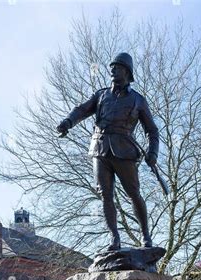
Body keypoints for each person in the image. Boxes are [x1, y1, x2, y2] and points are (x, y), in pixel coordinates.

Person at [57, 53, 159, 251]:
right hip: (100, 148)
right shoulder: (101, 95)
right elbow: (82, 110)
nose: (112, 70)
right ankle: (114, 238)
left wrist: (152, 152)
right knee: (105, 195)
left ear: (127, 72)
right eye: (112, 67)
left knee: (133, 193)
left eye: (117, 67)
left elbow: (152, 131)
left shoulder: (138, 100)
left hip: (125, 150)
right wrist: (68, 122)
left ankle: (145, 236)